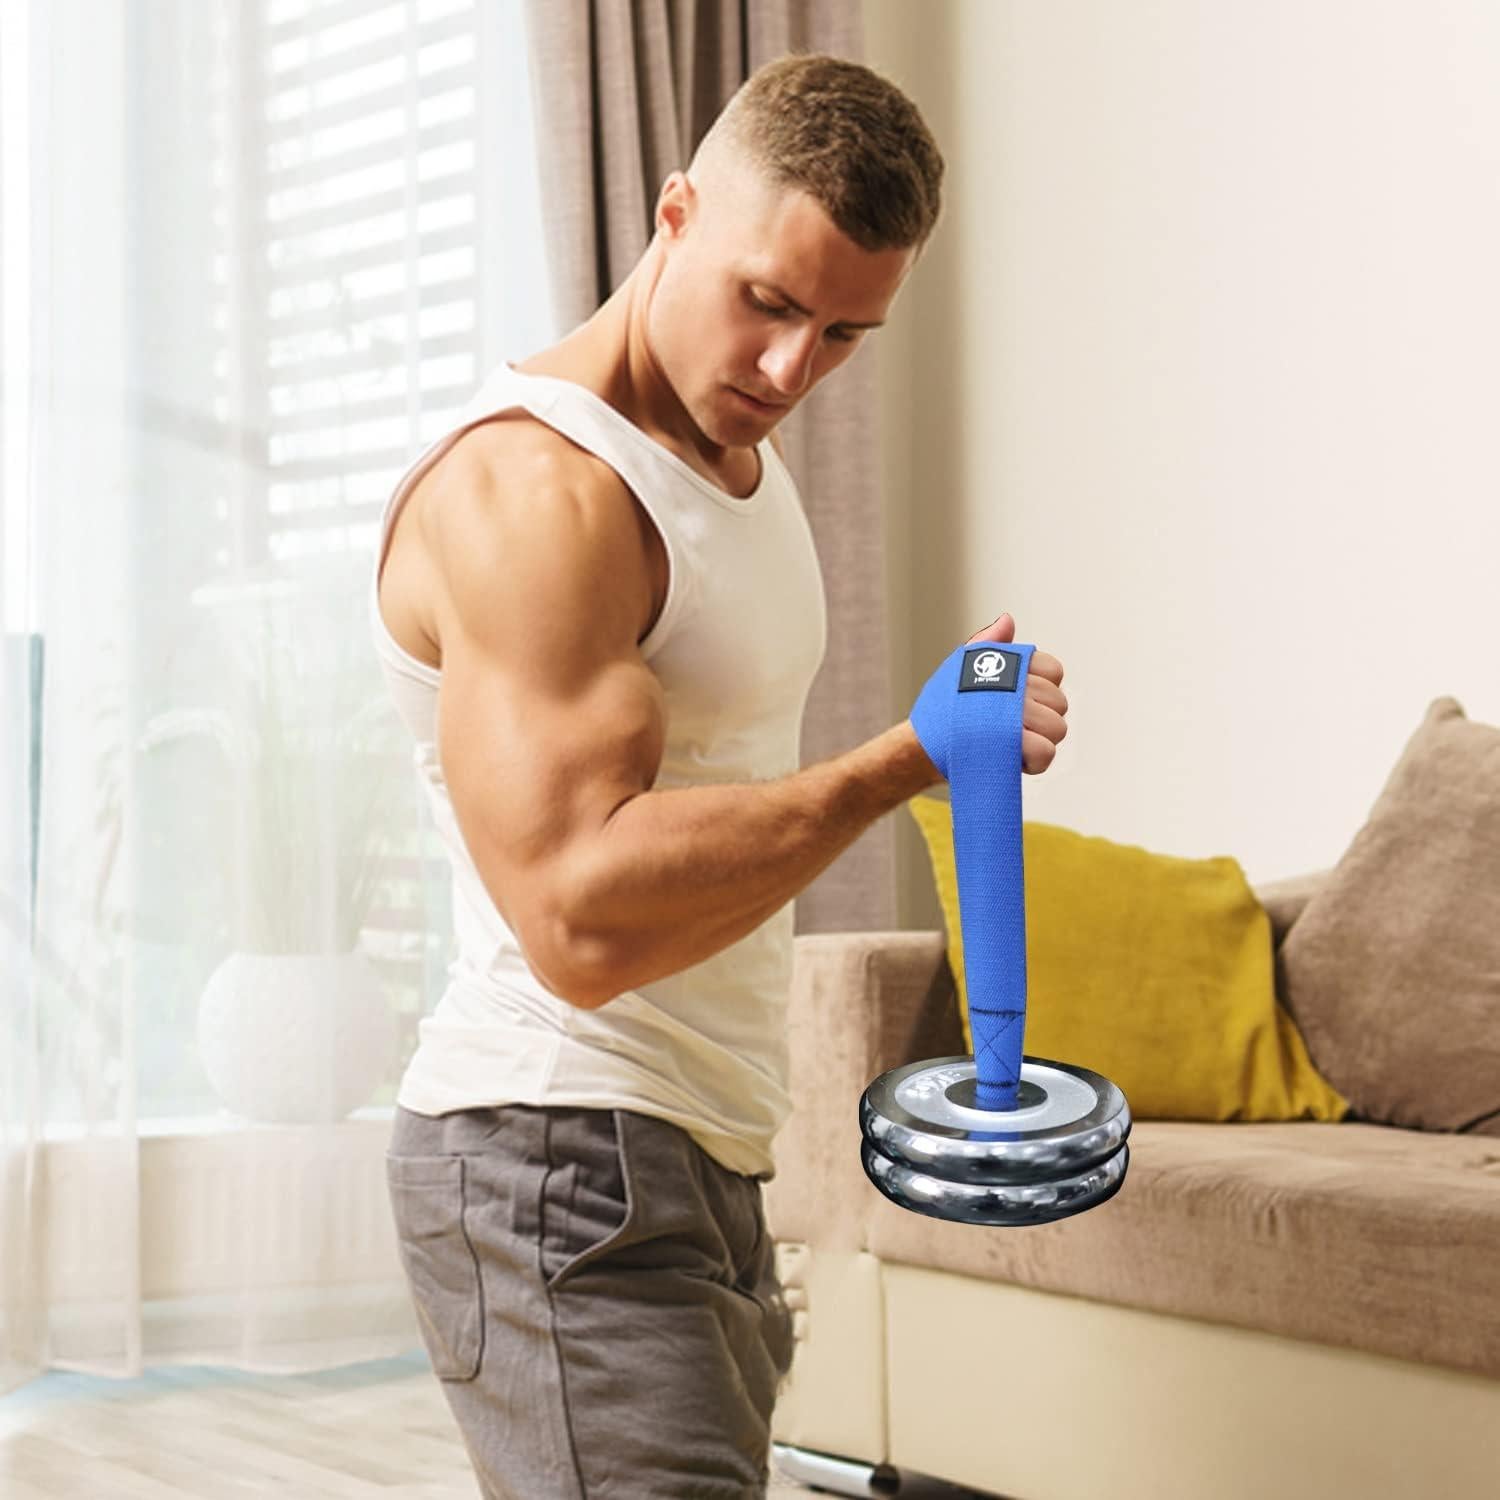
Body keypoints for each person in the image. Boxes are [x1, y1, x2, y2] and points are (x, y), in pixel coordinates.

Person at [370, 51, 1069, 1500]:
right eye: (768, 302)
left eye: (842, 334)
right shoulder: (539, 495)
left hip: (693, 1147)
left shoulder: (731, 462)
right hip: (564, 1145)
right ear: (675, 214)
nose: (789, 369)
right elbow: (579, 925)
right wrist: (900, 764)